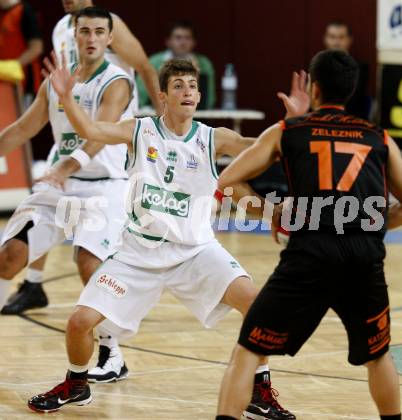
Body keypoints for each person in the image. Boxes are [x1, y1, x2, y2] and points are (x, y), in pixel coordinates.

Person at [27, 58, 295, 420]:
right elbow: (92, 129)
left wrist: (293, 124)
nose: (187, 91)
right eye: (178, 85)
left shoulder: (213, 138)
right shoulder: (139, 131)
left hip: (196, 252)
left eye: (191, 86)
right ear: (162, 96)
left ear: (199, 95)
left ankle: (258, 393)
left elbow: (266, 148)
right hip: (138, 253)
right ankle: (77, 383)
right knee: (78, 322)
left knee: (257, 305)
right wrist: (67, 100)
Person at [215, 49, 402, 420]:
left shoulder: (287, 132)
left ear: (313, 87)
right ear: (352, 90)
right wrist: (368, 224)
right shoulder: (378, 137)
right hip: (363, 257)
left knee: (248, 350)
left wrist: (275, 215)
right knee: (378, 355)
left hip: (309, 254)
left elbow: (228, 181)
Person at [3, 0, 163, 382]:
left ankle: (112, 352)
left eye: (98, 32)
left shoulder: (118, 80)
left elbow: (96, 136)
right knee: (10, 256)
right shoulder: (57, 81)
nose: (91, 38)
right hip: (62, 187)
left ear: (110, 39)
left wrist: (62, 166)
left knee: (89, 262)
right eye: (84, 31)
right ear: (72, 34)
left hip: (105, 187)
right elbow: (24, 129)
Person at [137, 20, 216, 109]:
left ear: (194, 42)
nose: (183, 43)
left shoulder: (204, 64)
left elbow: (210, 100)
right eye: (178, 38)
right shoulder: (154, 62)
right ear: (168, 41)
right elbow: (140, 97)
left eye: (187, 38)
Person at [323, 21, 370, 120]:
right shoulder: (317, 66)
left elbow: (352, 100)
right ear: (325, 39)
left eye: (341, 37)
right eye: (332, 37)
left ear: (349, 40)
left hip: (351, 123)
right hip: (320, 123)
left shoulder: (360, 68)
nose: (336, 42)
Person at [0, 0, 43, 100]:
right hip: (3, 83)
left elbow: (37, 47)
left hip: (23, 83)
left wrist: (13, 66)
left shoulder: (24, 10)